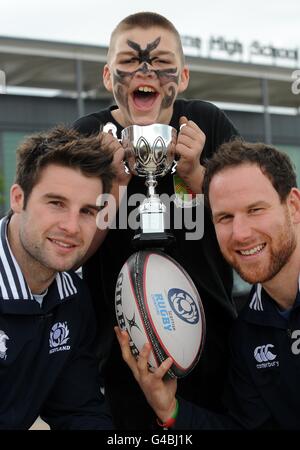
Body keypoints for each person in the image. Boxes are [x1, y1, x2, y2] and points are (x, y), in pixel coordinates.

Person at [73, 11, 239, 429]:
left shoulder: (208, 123)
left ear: (181, 77)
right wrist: (112, 189)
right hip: (117, 353)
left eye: (160, 60)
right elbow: (72, 252)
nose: (144, 70)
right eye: (129, 62)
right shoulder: (88, 135)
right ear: (108, 74)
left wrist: (199, 176)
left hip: (210, 345)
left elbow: (246, 230)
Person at [116, 139, 300, 430]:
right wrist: (170, 409)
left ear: (293, 206)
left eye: (255, 210)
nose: (240, 234)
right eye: (225, 217)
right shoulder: (249, 332)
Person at [0, 126, 115, 430]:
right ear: (17, 198)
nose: (72, 226)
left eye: (87, 211)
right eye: (56, 203)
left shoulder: (73, 298)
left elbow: (79, 410)